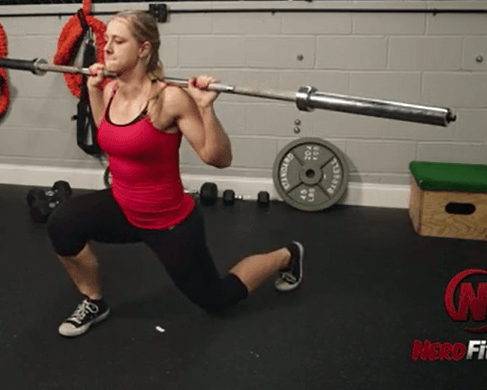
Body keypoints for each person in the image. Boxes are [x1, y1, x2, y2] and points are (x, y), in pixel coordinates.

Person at [46, 9, 304, 338]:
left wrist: (206, 108)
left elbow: (219, 158)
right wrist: (94, 90)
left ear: (143, 49)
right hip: (124, 206)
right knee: (63, 223)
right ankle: (94, 301)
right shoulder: (110, 90)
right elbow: (108, 136)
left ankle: (287, 255)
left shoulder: (169, 99)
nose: (106, 48)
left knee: (217, 299)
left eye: (118, 41)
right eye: (106, 40)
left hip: (167, 222)